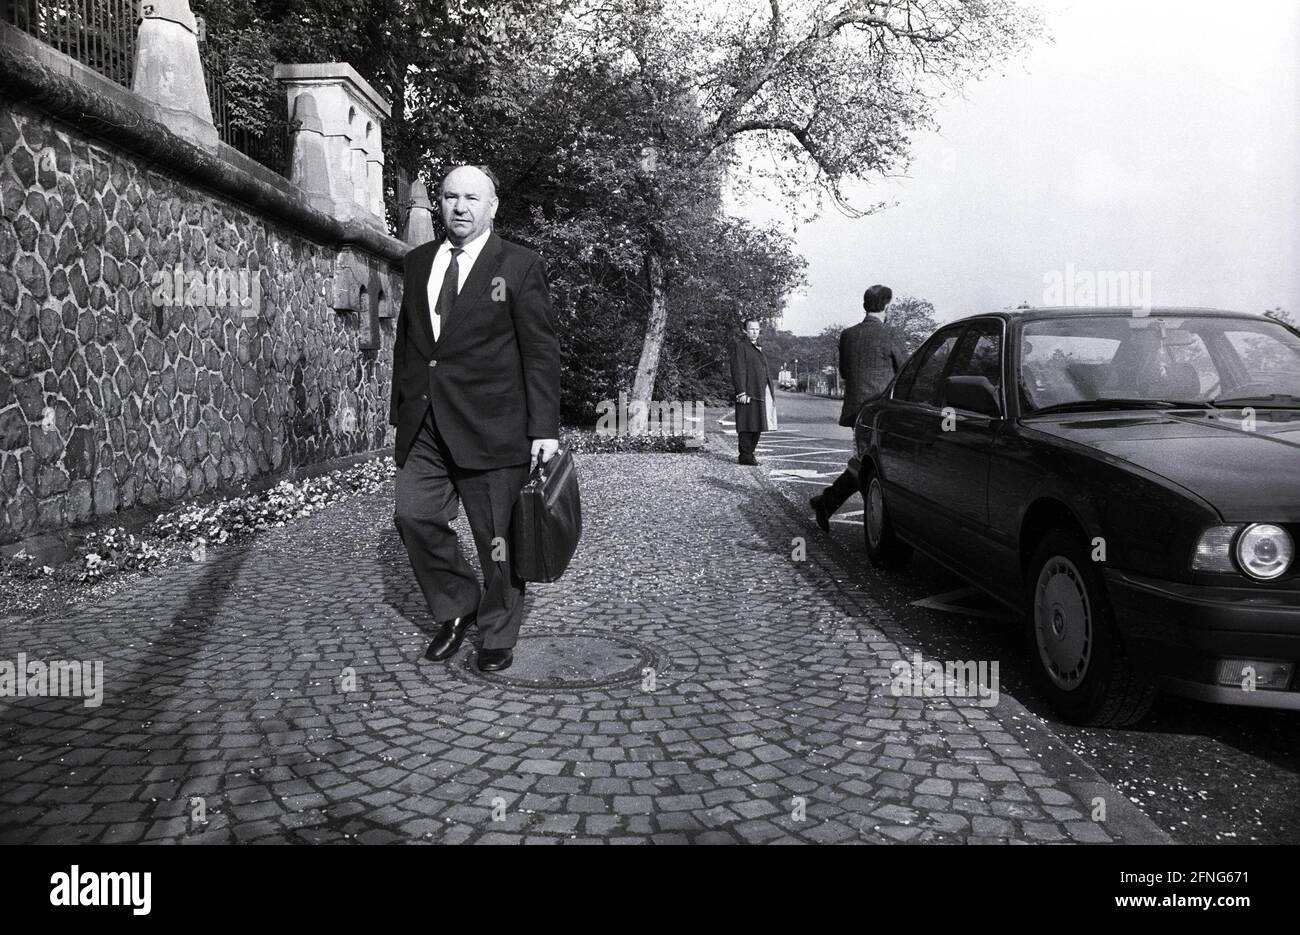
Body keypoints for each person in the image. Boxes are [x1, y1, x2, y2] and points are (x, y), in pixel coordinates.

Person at [390, 165, 560, 673]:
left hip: (494, 427)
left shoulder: (520, 265)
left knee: (497, 540)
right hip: (426, 424)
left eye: (471, 198)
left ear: (492, 207)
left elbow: (541, 352)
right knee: (413, 515)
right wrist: (401, 410)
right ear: (438, 204)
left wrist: (544, 430)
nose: (459, 207)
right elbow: (409, 342)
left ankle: (497, 632)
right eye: (449, 197)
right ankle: (457, 607)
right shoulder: (419, 262)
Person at [810, 284, 907, 531]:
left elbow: (844, 372)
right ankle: (881, 525)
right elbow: (905, 372)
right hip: (883, 411)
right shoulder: (890, 335)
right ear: (887, 306)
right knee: (876, 465)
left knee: (864, 461)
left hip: (857, 411)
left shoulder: (848, 335)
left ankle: (827, 503)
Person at [730, 319, 777, 465]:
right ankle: (745, 455)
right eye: (751, 329)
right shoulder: (741, 346)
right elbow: (738, 370)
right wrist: (741, 392)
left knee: (758, 423)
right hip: (748, 392)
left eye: (757, 329)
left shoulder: (757, 347)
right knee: (746, 423)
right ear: (745, 330)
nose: (755, 332)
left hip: (759, 392)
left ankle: (749, 454)